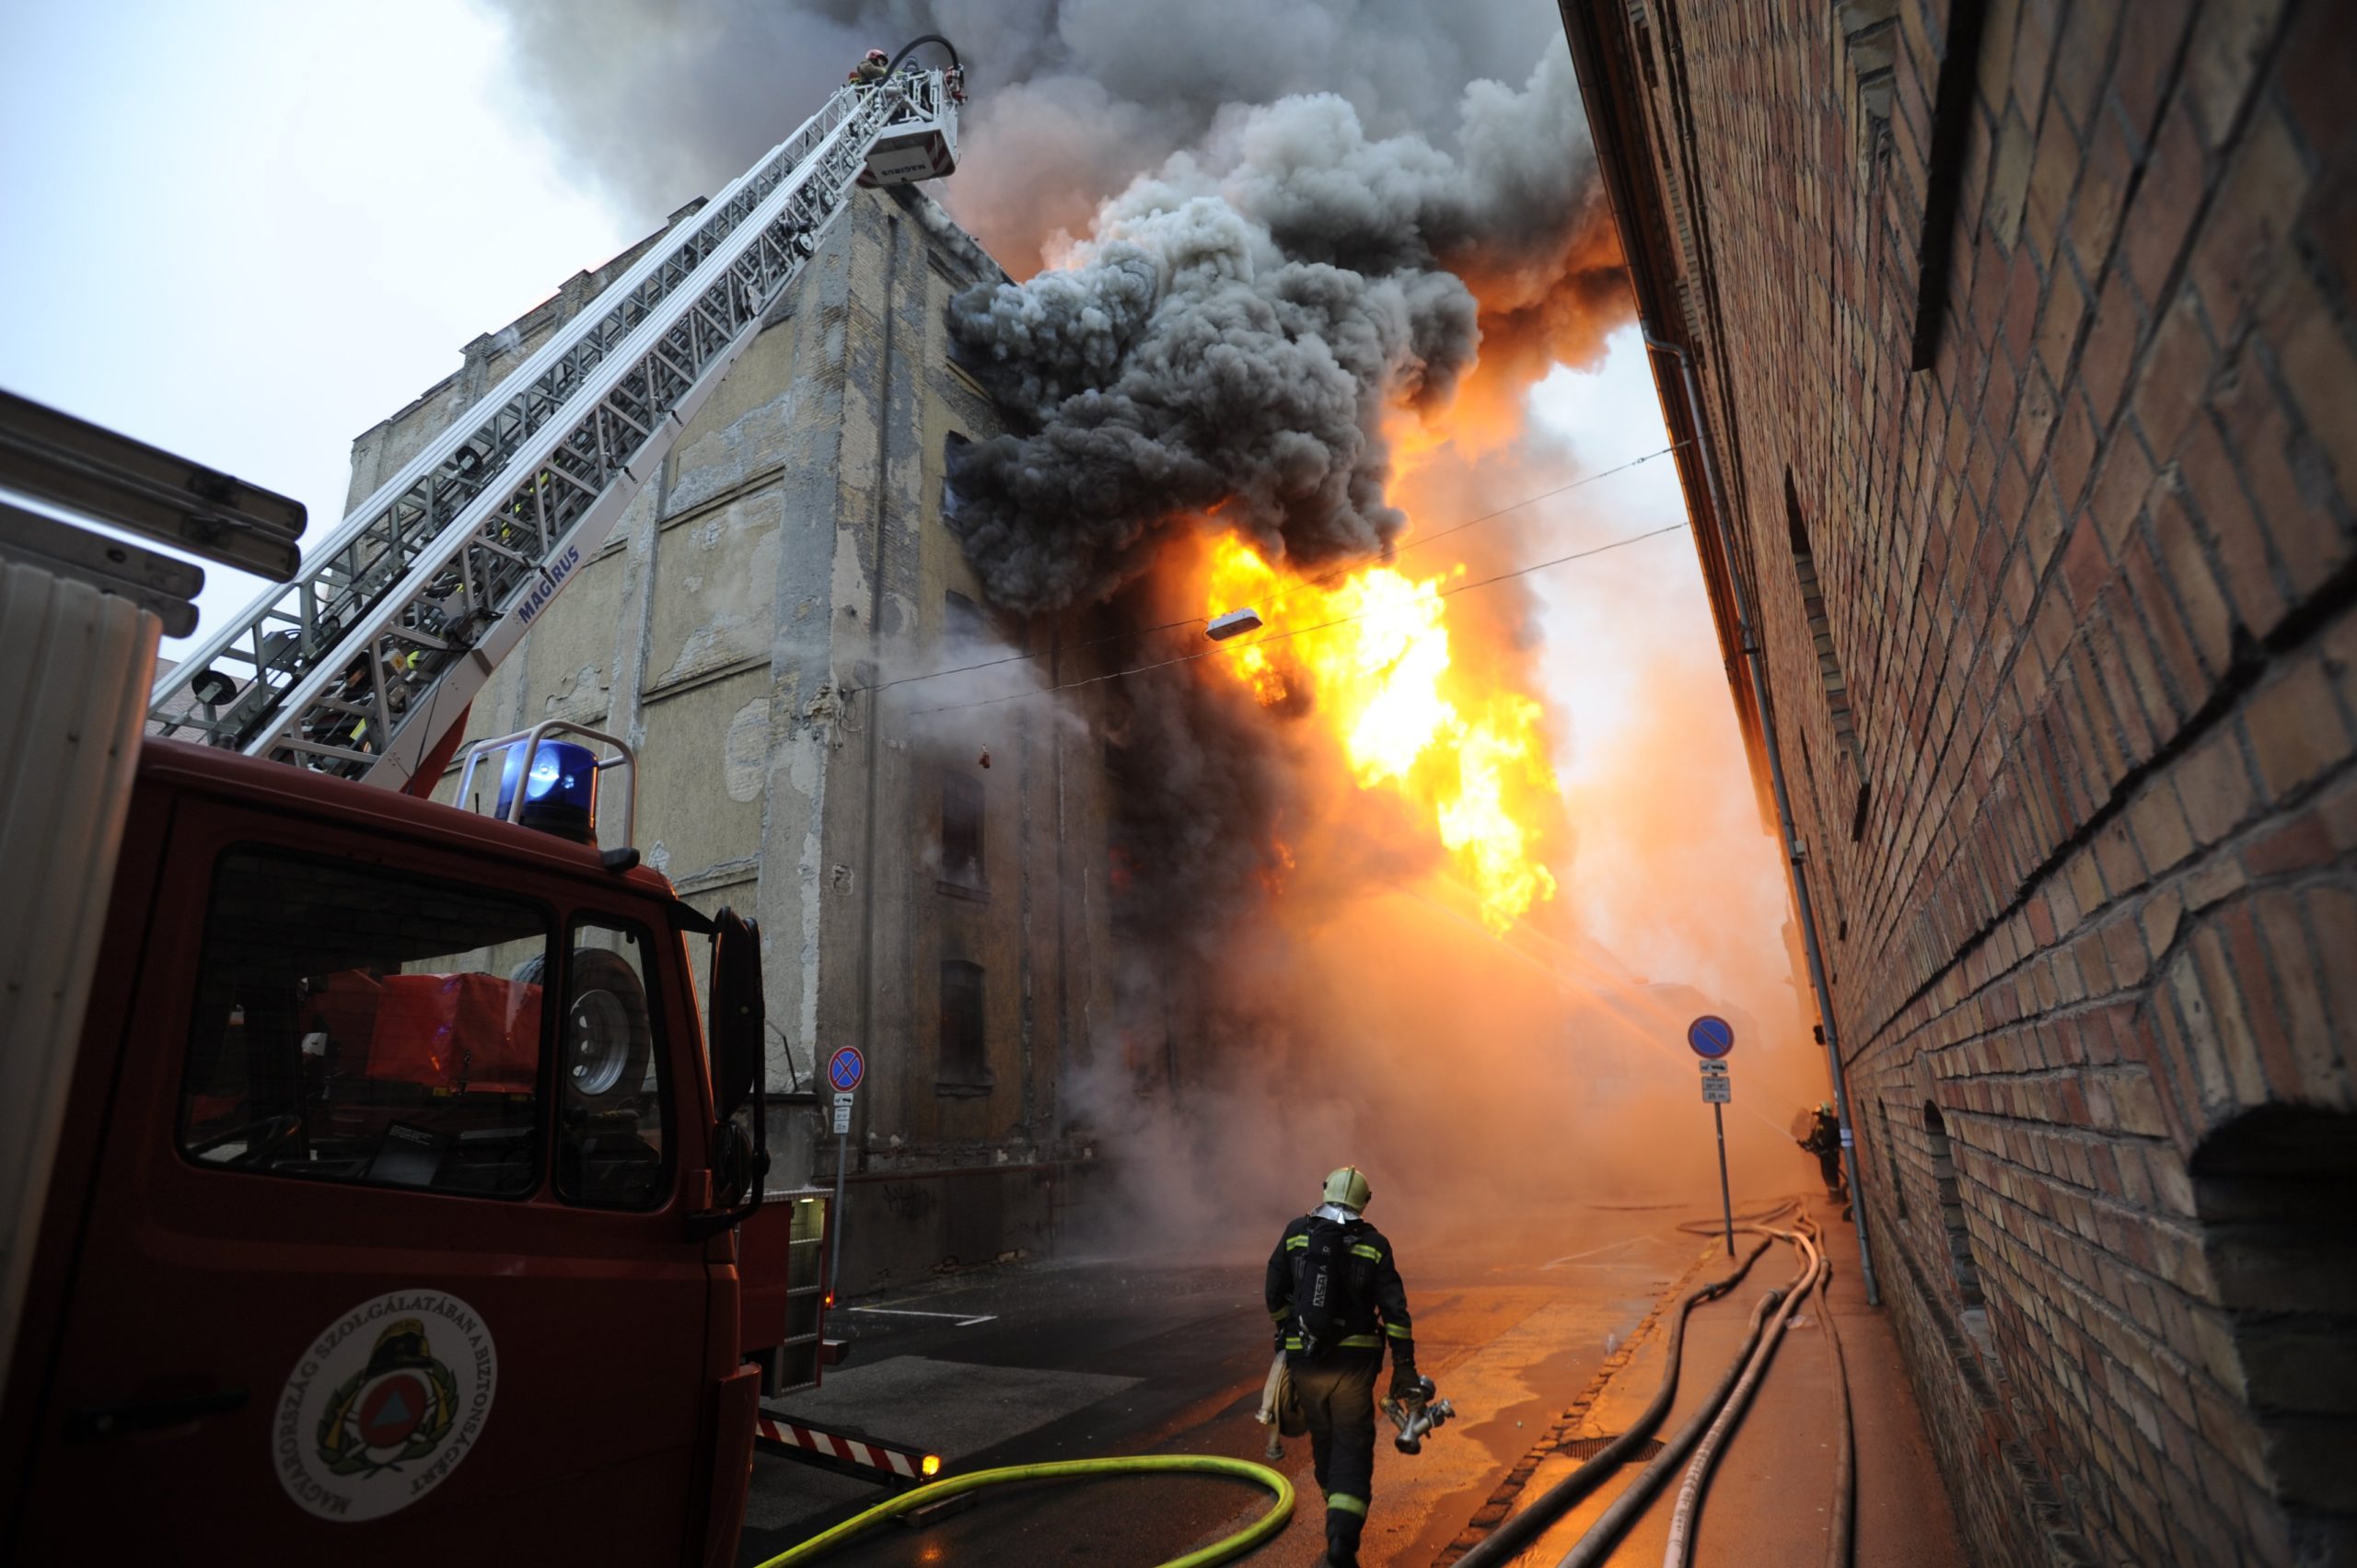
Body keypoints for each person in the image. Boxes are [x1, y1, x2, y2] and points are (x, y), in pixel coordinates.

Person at [1265, 1165, 1417, 1568]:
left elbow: (1274, 1290)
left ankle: (1336, 1520)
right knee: (1352, 1447)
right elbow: (1395, 1313)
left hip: (1306, 1363)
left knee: (1325, 1442)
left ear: (1324, 1191)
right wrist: (1404, 1365)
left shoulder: (1297, 1232)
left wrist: (1286, 1330)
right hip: (1353, 1367)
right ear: (1365, 1202)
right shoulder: (1376, 1245)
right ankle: (1341, 1542)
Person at [1797, 1102, 1844, 1199]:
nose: (1818, 1113)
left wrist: (1814, 1146)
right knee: (1826, 1174)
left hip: (1830, 1155)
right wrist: (1807, 1143)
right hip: (1825, 1155)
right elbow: (1815, 1137)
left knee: (1831, 1175)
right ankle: (1833, 1196)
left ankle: (1836, 1198)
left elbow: (1825, 1140)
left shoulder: (1829, 1124)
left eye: (1820, 1110)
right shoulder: (1820, 1123)